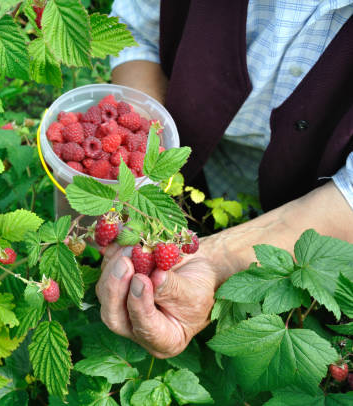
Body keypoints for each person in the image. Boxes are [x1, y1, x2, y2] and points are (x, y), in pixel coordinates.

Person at [96, 0, 353, 358]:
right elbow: (134, 31)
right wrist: (139, 164)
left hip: (320, 202)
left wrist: (216, 260)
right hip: (187, 158)